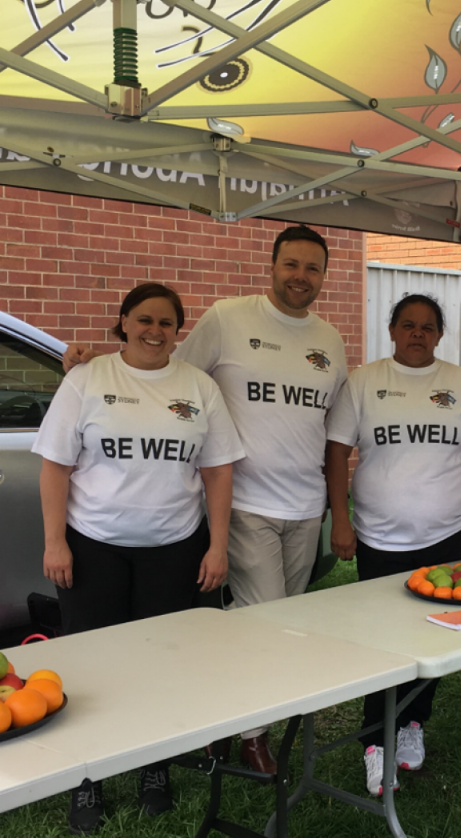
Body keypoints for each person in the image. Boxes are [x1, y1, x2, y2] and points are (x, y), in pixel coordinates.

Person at [62, 225, 348, 774]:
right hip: (244, 500)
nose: (300, 277)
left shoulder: (330, 339)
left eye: (313, 268)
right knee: (263, 619)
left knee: (285, 620)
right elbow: (162, 369)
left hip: (306, 505)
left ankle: (240, 708)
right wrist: (93, 359)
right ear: (271, 266)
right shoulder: (228, 317)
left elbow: (326, 421)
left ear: (323, 276)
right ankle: (248, 733)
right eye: (291, 264)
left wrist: (335, 506)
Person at [35, 283, 244, 835]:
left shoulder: (198, 387)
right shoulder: (88, 379)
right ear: (123, 322)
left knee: (160, 662)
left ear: (179, 331)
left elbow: (218, 470)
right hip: (92, 546)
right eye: (145, 319)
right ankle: (88, 777)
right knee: (90, 667)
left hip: (173, 548)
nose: (155, 331)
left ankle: (153, 766)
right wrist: (55, 542)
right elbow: (55, 466)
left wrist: (217, 546)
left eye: (167, 323)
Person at [325, 293, 461, 796]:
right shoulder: (363, 382)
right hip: (380, 538)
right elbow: (337, 452)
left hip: (446, 533)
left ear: (440, 335)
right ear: (392, 330)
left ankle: (411, 726)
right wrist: (340, 519)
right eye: (408, 325)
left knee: (432, 636)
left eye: (428, 327)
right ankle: (373, 741)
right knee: (383, 641)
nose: (418, 334)